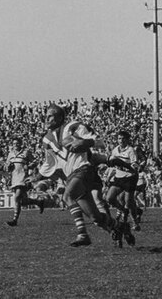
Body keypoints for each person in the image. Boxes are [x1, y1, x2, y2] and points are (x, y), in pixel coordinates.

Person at [38, 104, 129, 247]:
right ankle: (121, 227)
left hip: (84, 169)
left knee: (68, 196)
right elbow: (49, 163)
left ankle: (83, 234)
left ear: (60, 117)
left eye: (50, 115)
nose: (46, 118)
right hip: (72, 176)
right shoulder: (46, 140)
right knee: (95, 217)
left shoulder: (73, 127)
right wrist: (37, 177)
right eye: (46, 115)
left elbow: (99, 142)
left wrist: (85, 142)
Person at [105, 131, 142, 231]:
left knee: (128, 201)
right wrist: (108, 177)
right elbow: (113, 166)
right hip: (119, 177)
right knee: (109, 198)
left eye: (123, 138)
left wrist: (131, 166)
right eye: (119, 138)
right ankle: (122, 210)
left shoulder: (131, 150)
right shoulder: (115, 150)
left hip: (130, 178)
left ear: (127, 139)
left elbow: (134, 165)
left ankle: (135, 221)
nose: (121, 140)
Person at [4, 137, 45, 226]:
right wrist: (8, 166)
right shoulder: (10, 154)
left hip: (23, 178)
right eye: (14, 144)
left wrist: (29, 166)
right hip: (14, 178)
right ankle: (37, 202)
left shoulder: (26, 152)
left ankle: (14, 220)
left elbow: (35, 161)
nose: (16, 145)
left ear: (21, 144)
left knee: (17, 197)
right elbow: (6, 167)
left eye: (17, 143)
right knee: (22, 201)